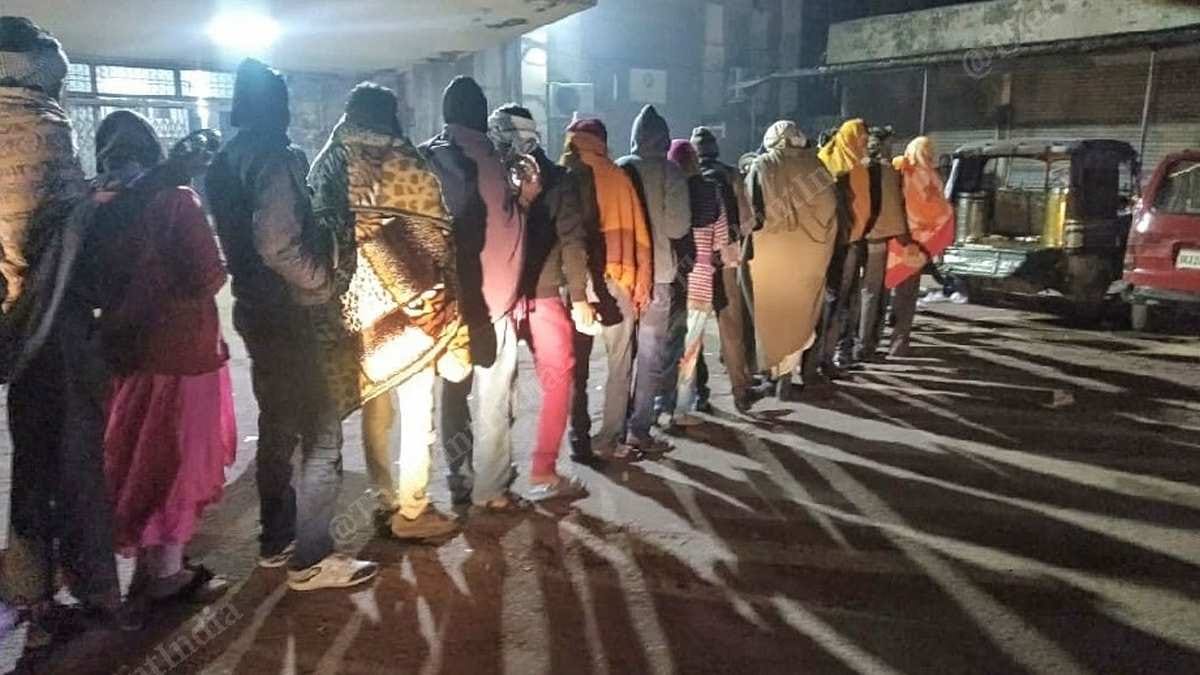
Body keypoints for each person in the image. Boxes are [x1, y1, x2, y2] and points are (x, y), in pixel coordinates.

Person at [206, 58, 377, 591]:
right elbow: (277, 242)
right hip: (289, 310)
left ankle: (276, 542)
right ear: (273, 104)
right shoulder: (273, 157)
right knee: (322, 433)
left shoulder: (225, 159)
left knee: (278, 427)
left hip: (255, 309)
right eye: (284, 97)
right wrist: (321, 283)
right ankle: (312, 557)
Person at [0, 16, 121, 646]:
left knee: (30, 461)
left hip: (12, 327)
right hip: (56, 327)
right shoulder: (43, 123)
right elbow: (65, 232)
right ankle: (93, 592)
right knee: (73, 461)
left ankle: (29, 595)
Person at [308, 83, 466, 541]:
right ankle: (413, 510)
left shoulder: (329, 163)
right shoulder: (408, 162)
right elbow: (437, 238)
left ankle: (385, 498)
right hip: (414, 311)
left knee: (378, 403)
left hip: (357, 309)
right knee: (418, 410)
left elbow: (321, 231)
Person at [92, 117, 234, 608]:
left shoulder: (99, 203)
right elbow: (206, 276)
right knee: (179, 463)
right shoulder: (176, 199)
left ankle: (151, 564)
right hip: (183, 352)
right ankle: (168, 574)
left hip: (127, 353)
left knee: (142, 462)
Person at [420, 76, 529, 512]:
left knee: (452, 391)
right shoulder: (498, 163)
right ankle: (491, 487)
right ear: (482, 116)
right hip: (495, 302)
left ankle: (458, 473)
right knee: (495, 397)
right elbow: (512, 227)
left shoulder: (426, 158)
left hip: (444, 303)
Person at [489, 104, 594, 498]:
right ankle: (543, 469)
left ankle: (489, 481)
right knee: (557, 377)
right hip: (543, 297)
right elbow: (572, 238)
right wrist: (581, 297)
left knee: (496, 389)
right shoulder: (557, 178)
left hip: (498, 297)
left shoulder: (492, 174)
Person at [561, 118, 652, 460]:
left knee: (576, 367)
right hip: (617, 279)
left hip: (575, 282)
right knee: (619, 363)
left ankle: (578, 437)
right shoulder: (618, 177)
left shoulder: (564, 175)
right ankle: (610, 438)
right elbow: (640, 237)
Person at [746, 121, 839, 400]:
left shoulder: (763, 165)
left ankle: (773, 374)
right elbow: (834, 212)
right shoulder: (819, 168)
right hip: (812, 259)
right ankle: (787, 374)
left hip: (771, 258)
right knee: (801, 315)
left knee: (772, 316)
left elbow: (751, 212)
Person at [617, 105, 691, 453]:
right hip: (659, 275)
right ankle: (639, 428)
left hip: (618, 276)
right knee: (650, 356)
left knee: (620, 355)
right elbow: (678, 226)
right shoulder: (671, 172)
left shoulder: (619, 169)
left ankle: (612, 427)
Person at [690, 126, 760, 413]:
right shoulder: (731, 174)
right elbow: (748, 221)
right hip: (726, 257)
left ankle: (696, 395)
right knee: (730, 325)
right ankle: (740, 389)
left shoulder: (686, 177)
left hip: (695, 262)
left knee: (693, 330)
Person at [665, 140, 728, 427]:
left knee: (668, 345)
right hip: (702, 279)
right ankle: (682, 408)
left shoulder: (671, 192)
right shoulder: (711, 192)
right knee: (691, 349)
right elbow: (722, 241)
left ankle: (663, 406)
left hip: (672, 280)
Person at [807, 118, 869, 393]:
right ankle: (815, 362)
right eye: (861, 138)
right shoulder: (828, 164)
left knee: (840, 304)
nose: (864, 143)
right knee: (829, 305)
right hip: (832, 246)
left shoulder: (857, 165)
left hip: (850, 244)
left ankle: (826, 358)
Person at [886, 136, 955, 357]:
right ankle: (899, 341)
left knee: (887, 290)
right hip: (920, 245)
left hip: (897, 241)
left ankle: (875, 339)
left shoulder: (900, 172)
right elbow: (942, 211)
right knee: (908, 294)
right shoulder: (932, 178)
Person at [856, 128, 909, 361]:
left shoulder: (858, 169)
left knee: (864, 291)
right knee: (876, 291)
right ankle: (868, 343)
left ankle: (859, 343)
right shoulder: (890, 172)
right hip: (885, 238)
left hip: (862, 238)